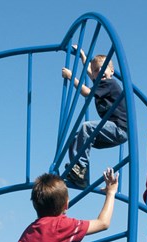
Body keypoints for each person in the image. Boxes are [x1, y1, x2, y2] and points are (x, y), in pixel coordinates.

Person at [62, 46, 128, 189]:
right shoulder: (101, 83)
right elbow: (90, 72)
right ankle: (79, 175)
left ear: (111, 71)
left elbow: (87, 92)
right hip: (111, 130)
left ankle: (81, 167)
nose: (99, 72)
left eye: (103, 68)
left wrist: (71, 76)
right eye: (97, 70)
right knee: (76, 136)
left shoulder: (109, 83)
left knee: (87, 127)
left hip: (119, 128)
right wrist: (82, 56)